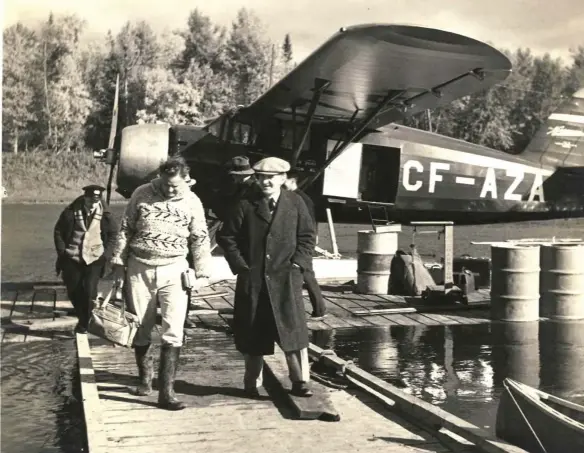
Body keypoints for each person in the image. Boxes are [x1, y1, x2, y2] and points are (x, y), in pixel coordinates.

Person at [110, 156, 212, 411]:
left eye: (175, 186)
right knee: (140, 328)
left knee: (173, 330)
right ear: (160, 178)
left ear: (185, 180)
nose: (169, 189)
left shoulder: (192, 201)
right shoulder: (142, 194)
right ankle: (145, 382)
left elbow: (200, 237)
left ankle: (167, 393)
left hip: (174, 269)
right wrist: (118, 265)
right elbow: (125, 228)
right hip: (139, 268)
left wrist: (202, 271)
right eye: (165, 184)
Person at [217, 157, 316, 398]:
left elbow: (307, 237)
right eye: (261, 177)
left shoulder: (296, 203)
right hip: (254, 280)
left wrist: (297, 265)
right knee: (253, 334)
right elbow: (226, 237)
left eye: (270, 178)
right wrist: (241, 266)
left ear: (283, 179)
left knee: (293, 332)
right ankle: (252, 383)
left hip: (286, 279)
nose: (265, 182)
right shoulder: (244, 204)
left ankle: (300, 381)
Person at [53, 185, 118, 333]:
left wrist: (106, 256)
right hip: (72, 257)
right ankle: (83, 316)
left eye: (96, 201)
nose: (92, 204)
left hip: (94, 258)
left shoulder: (106, 215)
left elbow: (114, 235)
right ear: (85, 198)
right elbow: (58, 231)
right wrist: (62, 252)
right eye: (90, 200)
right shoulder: (69, 212)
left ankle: (84, 322)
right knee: (74, 291)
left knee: (90, 291)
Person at [283, 170, 327, 319]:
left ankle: (319, 310)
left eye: (285, 180)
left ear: (293, 181)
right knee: (308, 275)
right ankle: (319, 310)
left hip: (301, 242)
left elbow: (307, 225)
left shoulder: (301, 199)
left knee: (308, 275)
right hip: (300, 241)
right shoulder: (298, 197)